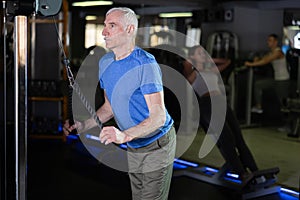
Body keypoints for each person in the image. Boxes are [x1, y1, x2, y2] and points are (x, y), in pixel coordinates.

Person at [63, 7, 176, 200]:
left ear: (130, 29)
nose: (104, 32)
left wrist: (124, 135)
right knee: (138, 195)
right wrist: (84, 125)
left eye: (112, 26)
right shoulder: (106, 62)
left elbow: (159, 117)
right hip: (133, 143)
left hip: (156, 144)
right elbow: (109, 108)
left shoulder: (145, 64)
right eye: (105, 25)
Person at [183, 45, 259, 183]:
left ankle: (255, 171)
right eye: (200, 53)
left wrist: (210, 59)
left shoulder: (210, 69)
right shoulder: (192, 71)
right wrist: (195, 60)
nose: (204, 54)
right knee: (227, 140)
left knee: (239, 139)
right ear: (192, 57)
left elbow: (227, 62)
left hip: (221, 102)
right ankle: (242, 173)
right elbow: (188, 70)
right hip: (207, 105)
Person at [245, 33, 290, 114]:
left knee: (283, 104)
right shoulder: (271, 52)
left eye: (270, 40)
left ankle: (289, 124)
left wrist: (250, 64)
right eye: (268, 40)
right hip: (276, 80)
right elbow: (263, 58)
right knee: (258, 85)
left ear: (275, 42)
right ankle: (259, 106)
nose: (268, 42)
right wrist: (256, 59)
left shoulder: (278, 52)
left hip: (283, 80)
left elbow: (265, 61)